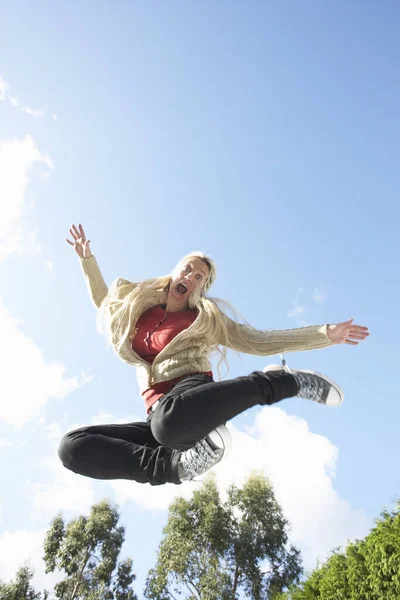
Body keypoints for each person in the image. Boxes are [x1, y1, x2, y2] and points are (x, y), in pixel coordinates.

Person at [58, 224, 369, 486]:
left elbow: (258, 342)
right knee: (73, 448)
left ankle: (280, 383)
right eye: (188, 270)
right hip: (162, 418)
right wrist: (87, 260)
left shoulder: (206, 319)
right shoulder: (139, 306)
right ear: (175, 272)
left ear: (201, 289)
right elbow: (105, 303)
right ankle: (174, 465)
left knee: (167, 423)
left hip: (189, 392)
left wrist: (323, 334)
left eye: (199, 278)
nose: (191, 277)